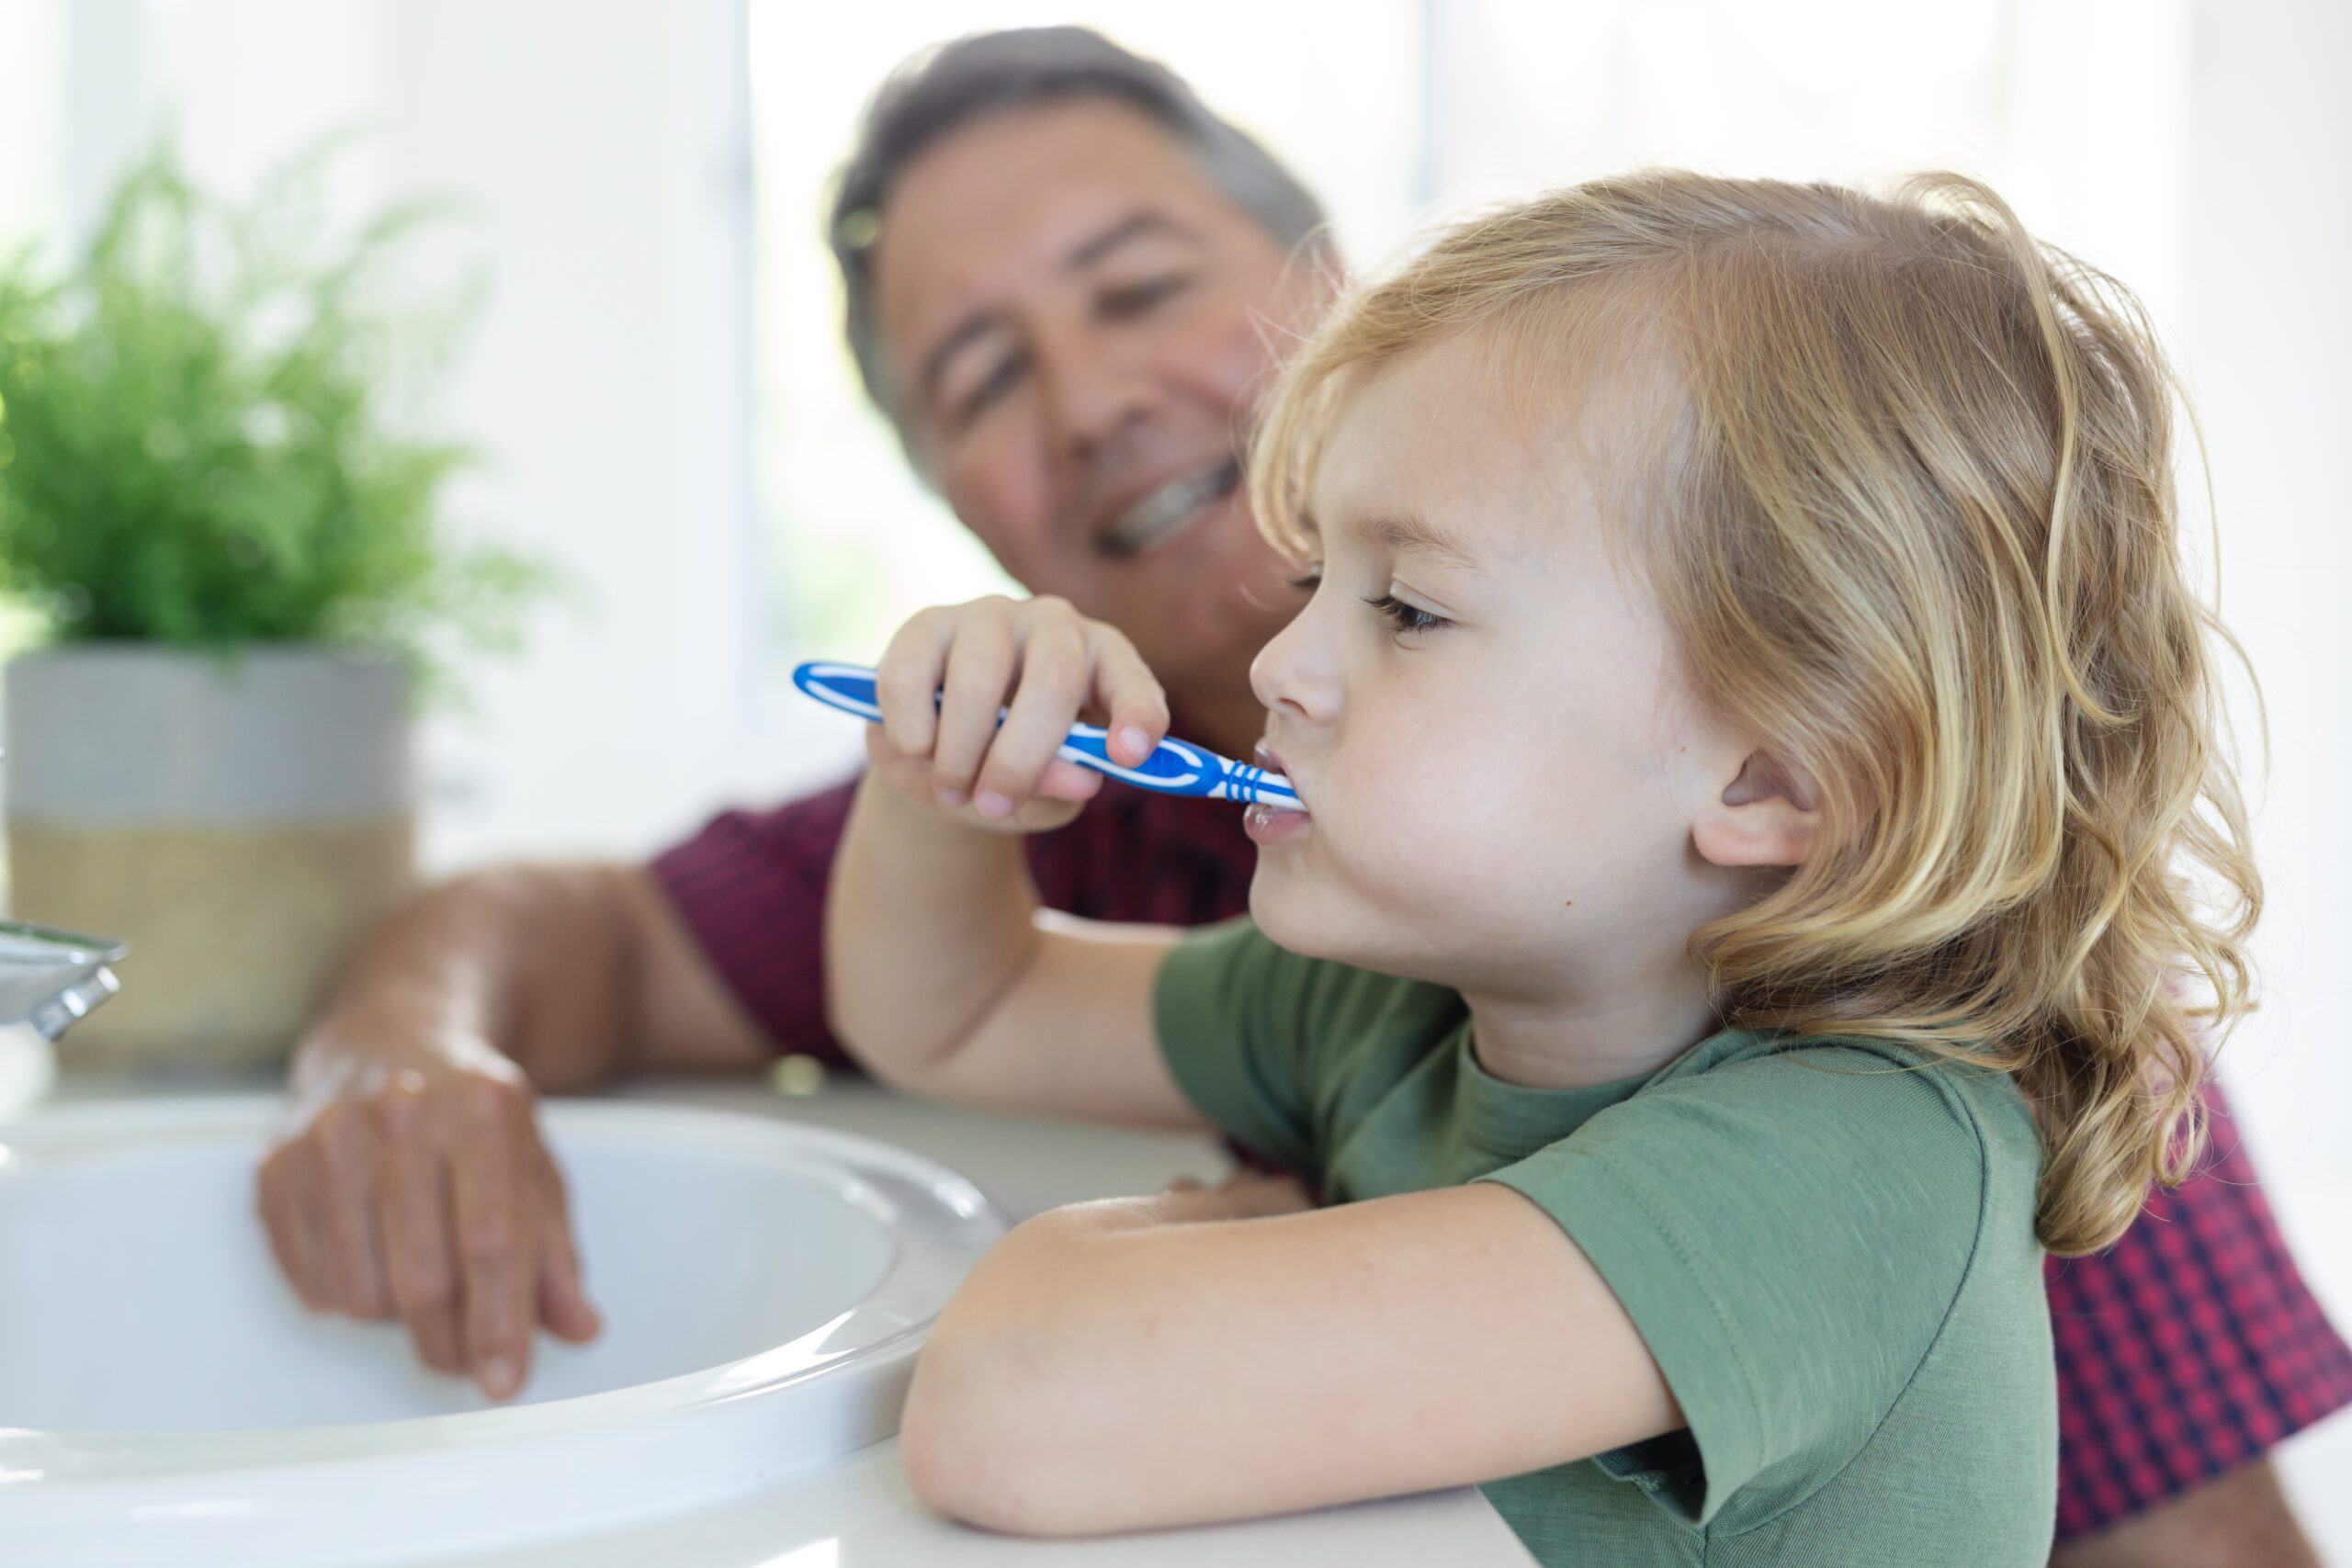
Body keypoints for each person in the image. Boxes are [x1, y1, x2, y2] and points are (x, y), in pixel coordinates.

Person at [260, 28, 2349, 1562]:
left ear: (1785, 774)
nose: (1285, 653)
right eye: (979, 375)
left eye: (1404, 606)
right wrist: (937, 779)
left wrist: (1202, 1242)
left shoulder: (1860, 1154)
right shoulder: (1391, 962)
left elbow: (1018, 1399)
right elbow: (948, 1012)